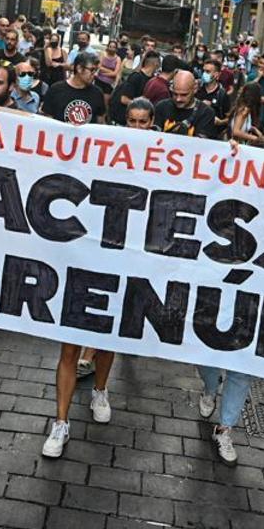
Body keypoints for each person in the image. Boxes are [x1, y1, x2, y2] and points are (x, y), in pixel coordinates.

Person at [41, 53, 112, 459]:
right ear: (75, 71)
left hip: (103, 256)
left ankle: (100, 390)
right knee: (69, 345)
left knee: (107, 337)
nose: (93, 76)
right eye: (89, 69)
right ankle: (61, 420)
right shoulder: (56, 92)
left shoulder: (99, 99)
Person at [41, 51, 106, 127]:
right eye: (92, 70)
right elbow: (47, 120)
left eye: (96, 70)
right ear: (79, 68)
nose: (95, 74)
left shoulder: (97, 93)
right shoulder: (56, 90)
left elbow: (100, 123)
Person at [154, 71, 216, 138]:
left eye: (184, 95)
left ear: (194, 89)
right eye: (175, 94)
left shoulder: (206, 113)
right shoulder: (161, 107)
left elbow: (201, 144)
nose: (178, 99)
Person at [111, 50, 159, 125]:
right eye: (159, 63)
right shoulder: (136, 77)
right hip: (123, 120)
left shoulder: (152, 79)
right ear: (156, 64)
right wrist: (143, 106)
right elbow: (124, 99)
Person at [196, 59, 231, 140]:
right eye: (203, 71)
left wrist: (220, 122)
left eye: (208, 72)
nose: (204, 74)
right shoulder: (197, 90)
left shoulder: (222, 95)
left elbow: (230, 118)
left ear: (216, 74)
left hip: (213, 138)